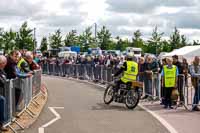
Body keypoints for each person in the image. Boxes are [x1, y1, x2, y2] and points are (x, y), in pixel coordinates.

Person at [0, 55, 9, 131]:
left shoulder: (2, 70)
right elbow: (2, 81)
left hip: (2, 91)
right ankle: (2, 123)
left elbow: (4, 78)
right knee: (2, 100)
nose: (5, 64)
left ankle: (2, 124)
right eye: (4, 63)